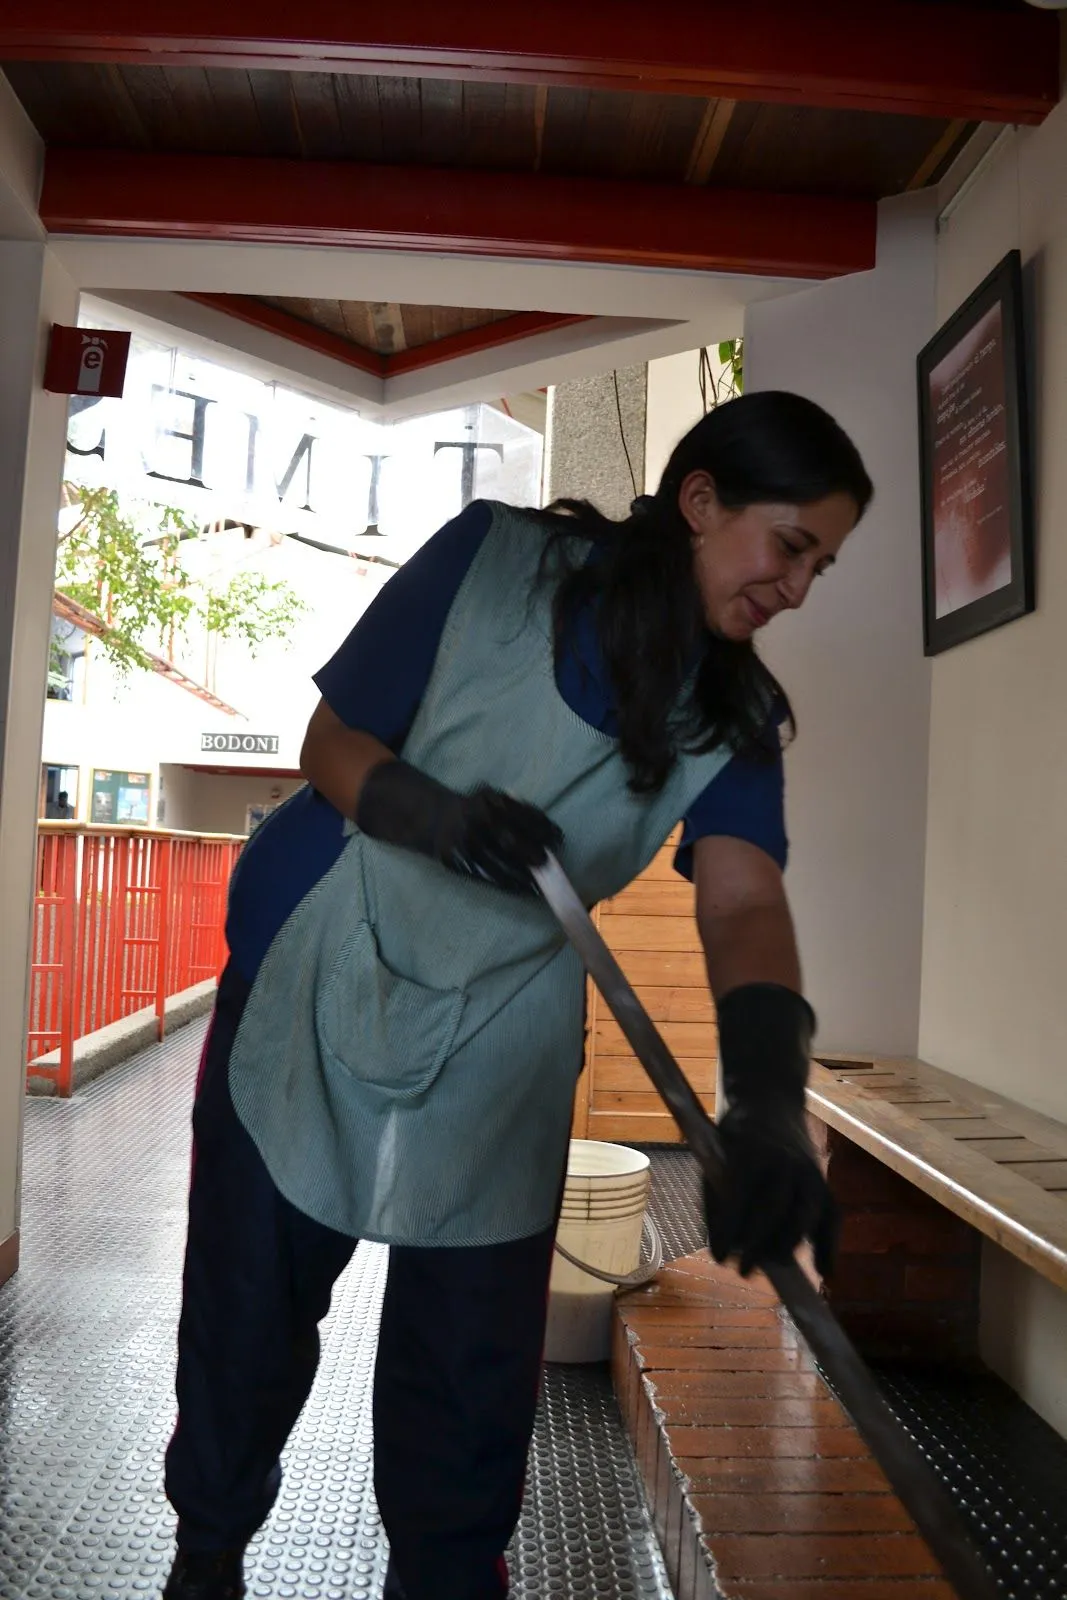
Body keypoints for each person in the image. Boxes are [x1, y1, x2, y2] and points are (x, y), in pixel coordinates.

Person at [162, 390, 872, 1600]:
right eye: (790, 545)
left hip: (507, 1011)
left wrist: (763, 1096)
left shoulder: (734, 715)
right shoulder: (493, 561)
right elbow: (329, 741)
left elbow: (744, 901)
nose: (799, 587)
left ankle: (443, 1578)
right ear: (700, 501)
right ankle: (208, 1555)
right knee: (247, 1306)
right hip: (328, 954)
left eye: (823, 562)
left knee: (471, 1359)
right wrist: (432, 815)